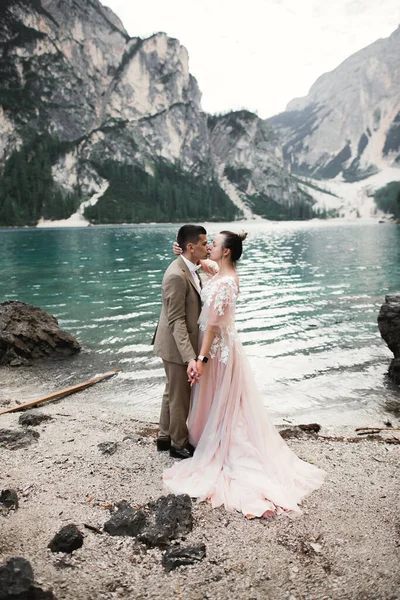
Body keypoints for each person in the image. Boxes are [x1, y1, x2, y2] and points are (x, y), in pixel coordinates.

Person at [163, 231, 325, 518]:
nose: (210, 247)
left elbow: (212, 325)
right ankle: (189, 435)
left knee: (220, 400)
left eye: (215, 244)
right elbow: (202, 263)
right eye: (206, 243)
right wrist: (184, 252)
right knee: (216, 399)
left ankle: (213, 441)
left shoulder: (225, 282)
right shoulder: (221, 273)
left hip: (215, 348)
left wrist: (200, 358)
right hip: (218, 347)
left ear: (226, 252)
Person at [153, 224, 209, 459]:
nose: (207, 247)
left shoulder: (189, 267)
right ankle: (178, 445)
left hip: (173, 343)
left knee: (171, 391)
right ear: (190, 246)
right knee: (179, 396)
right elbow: (176, 321)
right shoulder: (176, 275)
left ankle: (164, 436)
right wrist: (190, 358)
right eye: (204, 243)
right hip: (176, 346)